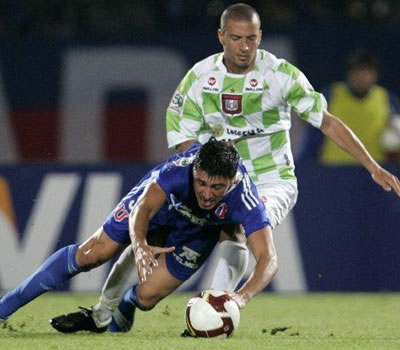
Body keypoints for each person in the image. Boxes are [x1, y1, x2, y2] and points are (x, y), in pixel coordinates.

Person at [50, 2, 400, 334]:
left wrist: (372, 166)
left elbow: (327, 123)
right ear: (221, 36)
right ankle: (106, 309)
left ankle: (214, 308)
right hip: (218, 179)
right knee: (147, 240)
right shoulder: (201, 77)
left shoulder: (281, 75)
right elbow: (184, 139)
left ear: (260, 37)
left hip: (271, 180)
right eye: (236, 37)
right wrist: (196, 183)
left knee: (239, 229)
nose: (244, 46)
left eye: (251, 38)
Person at [0, 139, 277, 332]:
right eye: (201, 182)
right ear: (194, 171)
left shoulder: (245, 198)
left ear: (232, 182)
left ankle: (126, 307)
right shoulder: (177, 172)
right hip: (161, 208)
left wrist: (241, 298)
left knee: (146, 298)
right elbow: (142, 210)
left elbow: (268, 260)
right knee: (95, 253)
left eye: (216, 187)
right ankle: (4, 307)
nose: (206, 193)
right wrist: (141, 243)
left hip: (200, 229)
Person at [301, 48, 400, 164]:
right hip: (334, 170)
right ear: (349, 74)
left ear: (375, 75)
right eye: (357, 72)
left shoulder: (386, 99)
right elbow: (314, 135)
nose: (362, 77)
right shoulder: (331, 95)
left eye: (367, 72)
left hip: (373, 171)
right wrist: (304, 164)